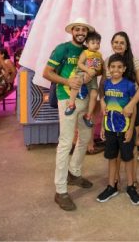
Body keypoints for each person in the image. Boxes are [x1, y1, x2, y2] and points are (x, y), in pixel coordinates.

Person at [42, 17, 95, 212]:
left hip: (84, 99)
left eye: (84, 30)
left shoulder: (88, 51)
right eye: (77, 29)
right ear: (72, 31)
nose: (80, 32)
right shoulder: (62, 49)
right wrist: (67, 82)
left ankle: (74, 172)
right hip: (66, 99)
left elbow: (93, 75)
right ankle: (60, 190)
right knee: (65, 142)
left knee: (85, 137)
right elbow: (46, 72)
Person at [95, 54, 139, 205]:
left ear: (124, 69)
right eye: (113, 67)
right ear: (108, 69)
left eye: (119, 67)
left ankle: (130, 187)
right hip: (110, 128)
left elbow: (133, 108)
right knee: (111, 157)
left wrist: (130, 129)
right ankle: (111, 186)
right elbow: (106, 108)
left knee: (128, 158)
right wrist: (103, 126)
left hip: (125, 129)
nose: (116, 69)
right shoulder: (106, 84)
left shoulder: (129, 85)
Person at [67, 31, 103, 121]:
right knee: (77, 83)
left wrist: (100, 68)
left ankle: (88, 115)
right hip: (82, 73)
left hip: (93, 77)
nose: (96, 45)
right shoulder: (85, 53)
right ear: (87, 44)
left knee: (94, 94)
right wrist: (87, 70)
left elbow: (101, 66)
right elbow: (79, 63)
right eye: (93, 43)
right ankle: (71, 104)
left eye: (98, 43)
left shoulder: (99, 55)